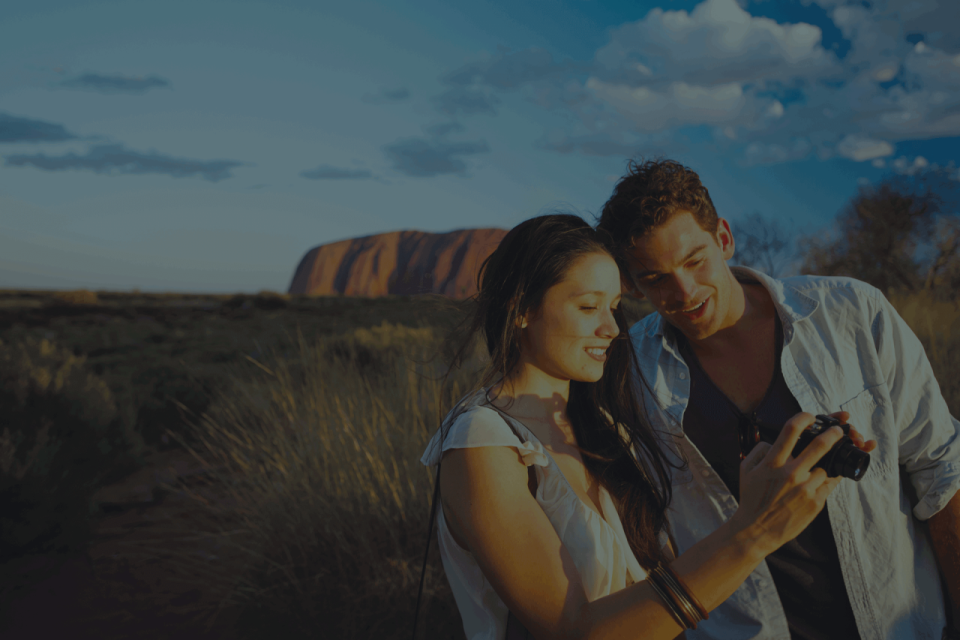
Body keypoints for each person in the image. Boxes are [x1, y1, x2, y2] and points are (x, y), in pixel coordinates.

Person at [419, 214, 872, 640]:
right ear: (521, 309)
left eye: (614, 306)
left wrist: (784, 468)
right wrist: (753, 533)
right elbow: (575, 630)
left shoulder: (605, 421)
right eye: (588, 306)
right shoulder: (482, 443)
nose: (611, 328)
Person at [596, 159, 960, 640]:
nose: (683, 291)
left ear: (723, 238)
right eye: (655, 278)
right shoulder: (628, 374)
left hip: (900, 626)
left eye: (694, 260)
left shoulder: (852, 313)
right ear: (633, 284)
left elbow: (941, 476)